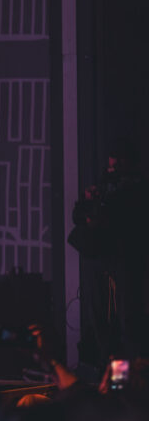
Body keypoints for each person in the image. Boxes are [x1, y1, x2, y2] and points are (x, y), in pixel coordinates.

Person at [67, 140, 149, 361]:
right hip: (101, 262)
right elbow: (79, 216)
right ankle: (108, 376)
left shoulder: (137, 189)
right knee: (101, 322)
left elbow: (118, 218)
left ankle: (128, 384)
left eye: (116, 165)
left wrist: (99, 212)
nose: (111, 170)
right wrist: (89, 202)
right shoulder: (106, 186)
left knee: (127, 324)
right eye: (110, 166)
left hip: (126, 263)